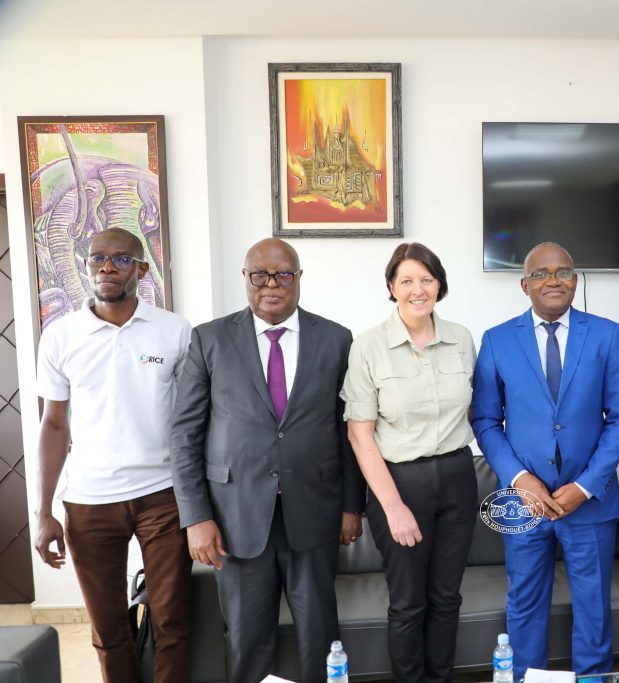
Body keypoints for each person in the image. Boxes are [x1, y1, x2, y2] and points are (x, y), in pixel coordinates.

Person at [170, 238, 365, 683]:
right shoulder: (210, 339)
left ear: (299, 279)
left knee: (320, 636)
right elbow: (184, 434)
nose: (271, 284)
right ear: (246, 277)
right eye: (260, 274)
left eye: (283, 275)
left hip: (314, 512)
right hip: (235, 517)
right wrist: (195, 516)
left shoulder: (335, 339)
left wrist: (352, 506)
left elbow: (348, 429)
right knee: (247, 639)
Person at [34, 227, 193, 683]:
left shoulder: (174, 331)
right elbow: (54, 425)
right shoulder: (60, 336)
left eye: (121, 259)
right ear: (86, 265)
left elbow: (192, 419)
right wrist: (43, 512)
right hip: (89, 501)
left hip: (164, 496)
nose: (107, 267)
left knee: (172, 622)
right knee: (108, 629)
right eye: (97, 258)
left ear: (141, 269)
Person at [471, 242, 619, 679]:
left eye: (562, 272)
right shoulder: (497, 340)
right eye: (541, 274)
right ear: (525, 285)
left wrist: (585, 486)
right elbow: (485, 420)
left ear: (575, 281)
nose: (553, 280)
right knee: (524, 603)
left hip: (589, 500)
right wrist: (519, 478)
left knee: (593, 606)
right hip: (523, 502)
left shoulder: (606, 335)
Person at [341, 242, 478, 683]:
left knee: (447, 597)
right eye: (407, 281)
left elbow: (474, 410)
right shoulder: (368, 346)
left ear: (439, 285)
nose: (418, 289)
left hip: (457, 477)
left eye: (427, 279)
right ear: (391, 287)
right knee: (408, 602)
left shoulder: (461, 339)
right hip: (399, 483)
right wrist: (393, 507)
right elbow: (360, 435)